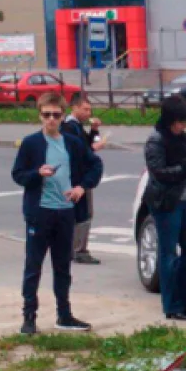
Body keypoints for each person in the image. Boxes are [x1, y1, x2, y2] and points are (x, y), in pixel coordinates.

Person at [11, 92, 104, 335]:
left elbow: (95, 164)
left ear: (63, 116)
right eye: (46, 115)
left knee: (63, 266)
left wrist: (81, 187)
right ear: (39, 115)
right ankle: (29, 317)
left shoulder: (72, 142)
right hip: (39, 213)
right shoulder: (31, 143)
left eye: (55, 115)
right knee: (34, 265)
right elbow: (18, 174)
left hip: (65, 213)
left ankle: (64, 314)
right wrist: (37, 174)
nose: (51, 120)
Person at [144, 96, 186, 321]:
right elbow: (159, 172)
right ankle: (171, 306)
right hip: (166, 202)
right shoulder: (156, 141)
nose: (183, 126)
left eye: (185, 122)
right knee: (168, 253)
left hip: (183, 200)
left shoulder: (182, 139)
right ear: (170, 119)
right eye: (180, 122)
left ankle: (184, 302)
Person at [63, 92, 106, 266]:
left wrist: (94, 130)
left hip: (78, 175)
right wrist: (93, 148)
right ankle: (79, 250)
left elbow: (88, 144)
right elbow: (84, 150)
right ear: (74, 108)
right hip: (79, 177)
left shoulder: (77, 126)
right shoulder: (70, 128)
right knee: (84, 214)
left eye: (90, 109)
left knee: (80, 214)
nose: (88, 113)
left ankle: (73, 249)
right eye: (85, 109)